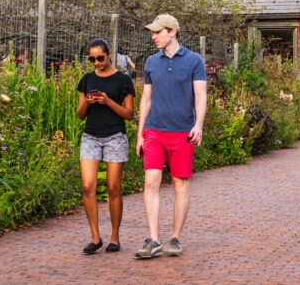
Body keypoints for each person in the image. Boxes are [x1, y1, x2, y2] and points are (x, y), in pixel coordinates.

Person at [135, 14, 207, 259]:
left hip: (182, 133)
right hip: (154, 131)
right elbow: (146, 98)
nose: (154, 37)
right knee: (150, 182)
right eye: (153, 33)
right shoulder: (151, 62)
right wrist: (140, 134)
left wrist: (198, 124)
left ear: (172, 32)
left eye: (158, 32)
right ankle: (154, 239)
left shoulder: (194, 61)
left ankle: (175, 237)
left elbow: (200, 95)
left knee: (180, 185)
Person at [76, 38, 136, 254]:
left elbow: (129, 115)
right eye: (91, 59)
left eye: (99, 58)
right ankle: (95, 237)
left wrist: (108, 101)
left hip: (115, 136)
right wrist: (88, 102)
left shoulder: (123, 80)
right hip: (90, 136)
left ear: (109, 54)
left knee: (113, 188)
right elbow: (80, 115)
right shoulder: (86, 79)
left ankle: (114, 237)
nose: (96, 63)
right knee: (87, 186)